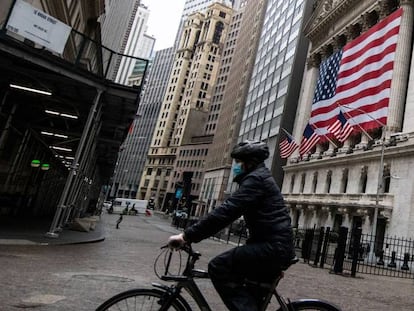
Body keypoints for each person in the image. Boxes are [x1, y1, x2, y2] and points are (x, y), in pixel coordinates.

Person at [168, 140, 296, 311]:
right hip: (273, 247)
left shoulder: (256, 180)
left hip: (273, 248)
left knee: (218, 266)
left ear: (250, 162)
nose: (236, 166)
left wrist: (187, 236)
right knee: (250, 290)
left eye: (238, 162)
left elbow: (226, 212)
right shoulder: (258, 177)